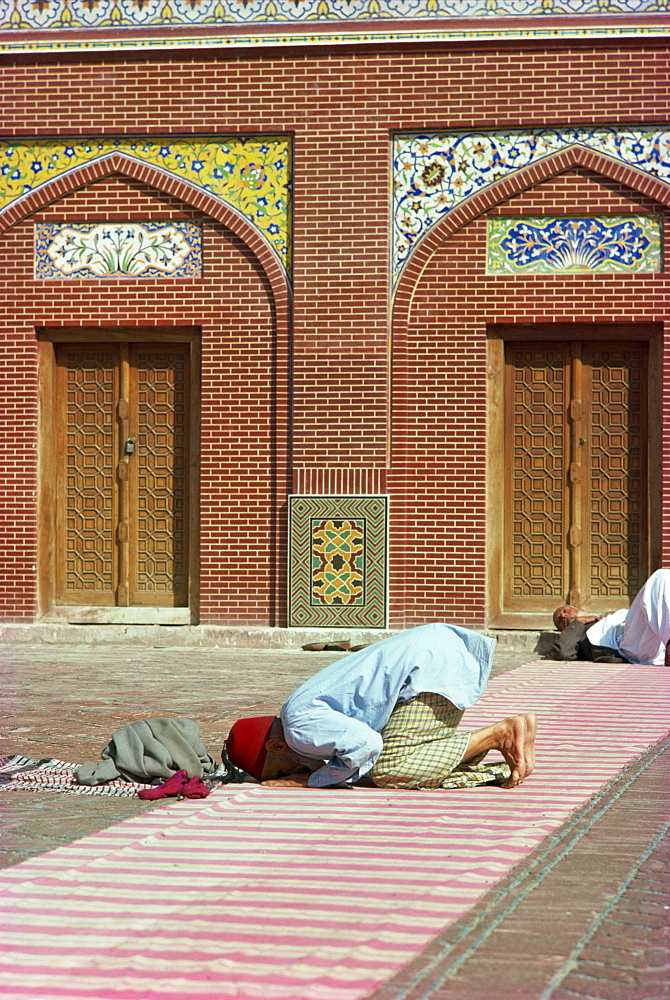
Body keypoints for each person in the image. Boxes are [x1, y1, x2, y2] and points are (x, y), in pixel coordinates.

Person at [224, 623, 536, 790]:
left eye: (284, 768)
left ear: (277, 745)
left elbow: (367, 744)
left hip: (430, 669)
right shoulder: (297, 709)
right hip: (438, 658)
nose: (297, 769)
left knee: (388, 768)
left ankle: (500, 735)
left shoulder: (297, 730)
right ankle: (499, 742)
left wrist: (313, 781)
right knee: (392, 761)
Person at [550, 568, 670, 665]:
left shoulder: (607, 617)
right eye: (559, 619)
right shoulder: (578, 632)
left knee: (665, 578)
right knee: (661, 576)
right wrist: (578, 622)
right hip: (628, 644)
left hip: (655, 640)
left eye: (564, 610)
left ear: (578, 609)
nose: (564, 615)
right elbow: (563, 653)